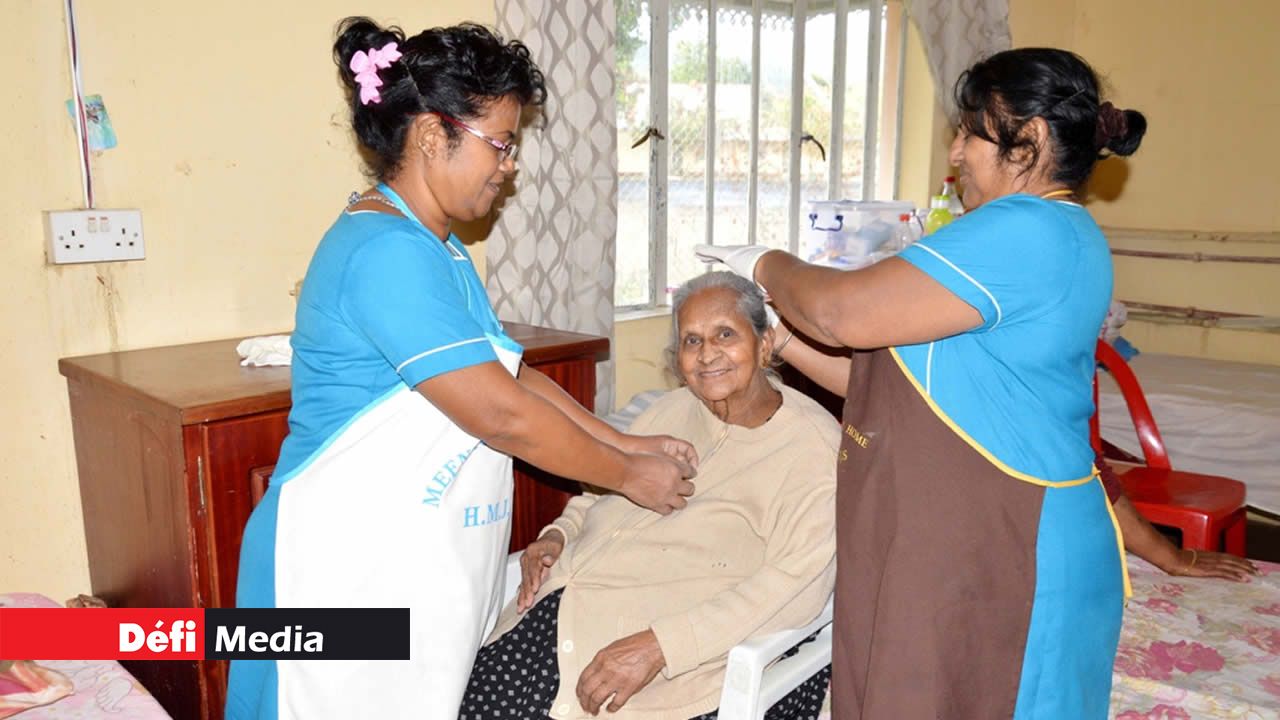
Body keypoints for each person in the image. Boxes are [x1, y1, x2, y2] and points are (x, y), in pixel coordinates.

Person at [227, 18, 698, 720]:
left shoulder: (438, 251)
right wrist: (629, 477)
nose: (509, 166)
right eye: (499, 144)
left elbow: (512, 380)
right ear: (428, 137)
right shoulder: (385, 252)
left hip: (396, 566)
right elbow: (501, 415)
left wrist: (627, 442)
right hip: (334, 571)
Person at [699, 48, 1155, 719]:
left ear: (1026, 140)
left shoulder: (1025, 229)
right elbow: (885, 381)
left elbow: (843, 311)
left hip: (1006, 548)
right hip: (962, 536)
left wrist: (765, 261)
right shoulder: (1053, 234)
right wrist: (780, 338)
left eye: (971, 131)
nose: (956, 150)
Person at [459, 272, 839, 720]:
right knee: (416, 674)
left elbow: (795, 586)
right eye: (691, 341)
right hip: (555, 619)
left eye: (725, 334)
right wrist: (557, 535)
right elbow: (600, 489)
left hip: (661, 669)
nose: (707, 353)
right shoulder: (669, 408)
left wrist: (661, 646)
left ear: (765, 343)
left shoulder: (812, 448)